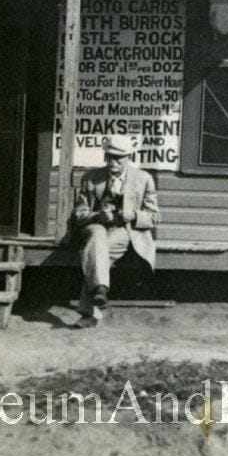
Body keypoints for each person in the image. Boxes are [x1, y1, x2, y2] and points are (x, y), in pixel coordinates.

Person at [71, 135, 159, 329]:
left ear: (129, 157)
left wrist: (134, 215)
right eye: (110, 157)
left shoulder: (143, 179)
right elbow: (78, 213)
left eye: (118, 158)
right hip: (95, 227)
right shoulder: (91, 178)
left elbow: (154, 216)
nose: (113, 162)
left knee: (98, 251)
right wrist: (97, 216)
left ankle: (91, 308)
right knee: (98, 237)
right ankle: (100, 290)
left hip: (125, 230)